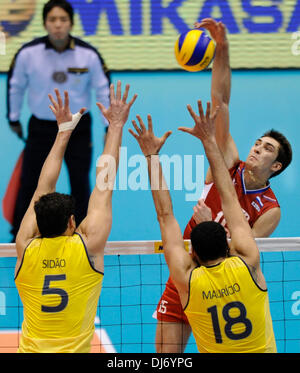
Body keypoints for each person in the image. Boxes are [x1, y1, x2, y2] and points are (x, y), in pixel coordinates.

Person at [154, 18, 292, 352]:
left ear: (275, 167)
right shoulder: (226, 161)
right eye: (258, 142)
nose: (257, 147)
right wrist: (222, 50)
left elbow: (244, 256)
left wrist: (206, 227)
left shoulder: (270, 210)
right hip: (185, 271)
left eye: (267, 149)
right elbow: (221, 103)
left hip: (220, 282)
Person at [129, 100, 277, 353]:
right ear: (227, 242)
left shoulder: (186, 278)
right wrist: (209, 141)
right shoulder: (248, 263)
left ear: (192, 252)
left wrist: (151, 156)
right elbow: (230, 198)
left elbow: (165, 215)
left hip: (195, 291)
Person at [14, 82, 137, 353]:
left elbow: (42, 188)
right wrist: (115, 126)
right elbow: (104, 186)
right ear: (72, 222)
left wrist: (63, 132)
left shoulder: (25, 245)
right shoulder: (87, 247)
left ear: (38, 223)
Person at [7, 0, 110, 240]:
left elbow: (103, 88)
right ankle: (19, 233)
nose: (58, 25)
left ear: (71, 23)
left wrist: (108, 125)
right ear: (44, 23)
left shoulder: (89, 54)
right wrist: (13, 117)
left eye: (63, 20)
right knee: (31, 181)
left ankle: (82, 231)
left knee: (80, 180)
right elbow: (15, 86)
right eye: (52, 20)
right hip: (42, 128)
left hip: (78, 128)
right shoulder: (27, 53)